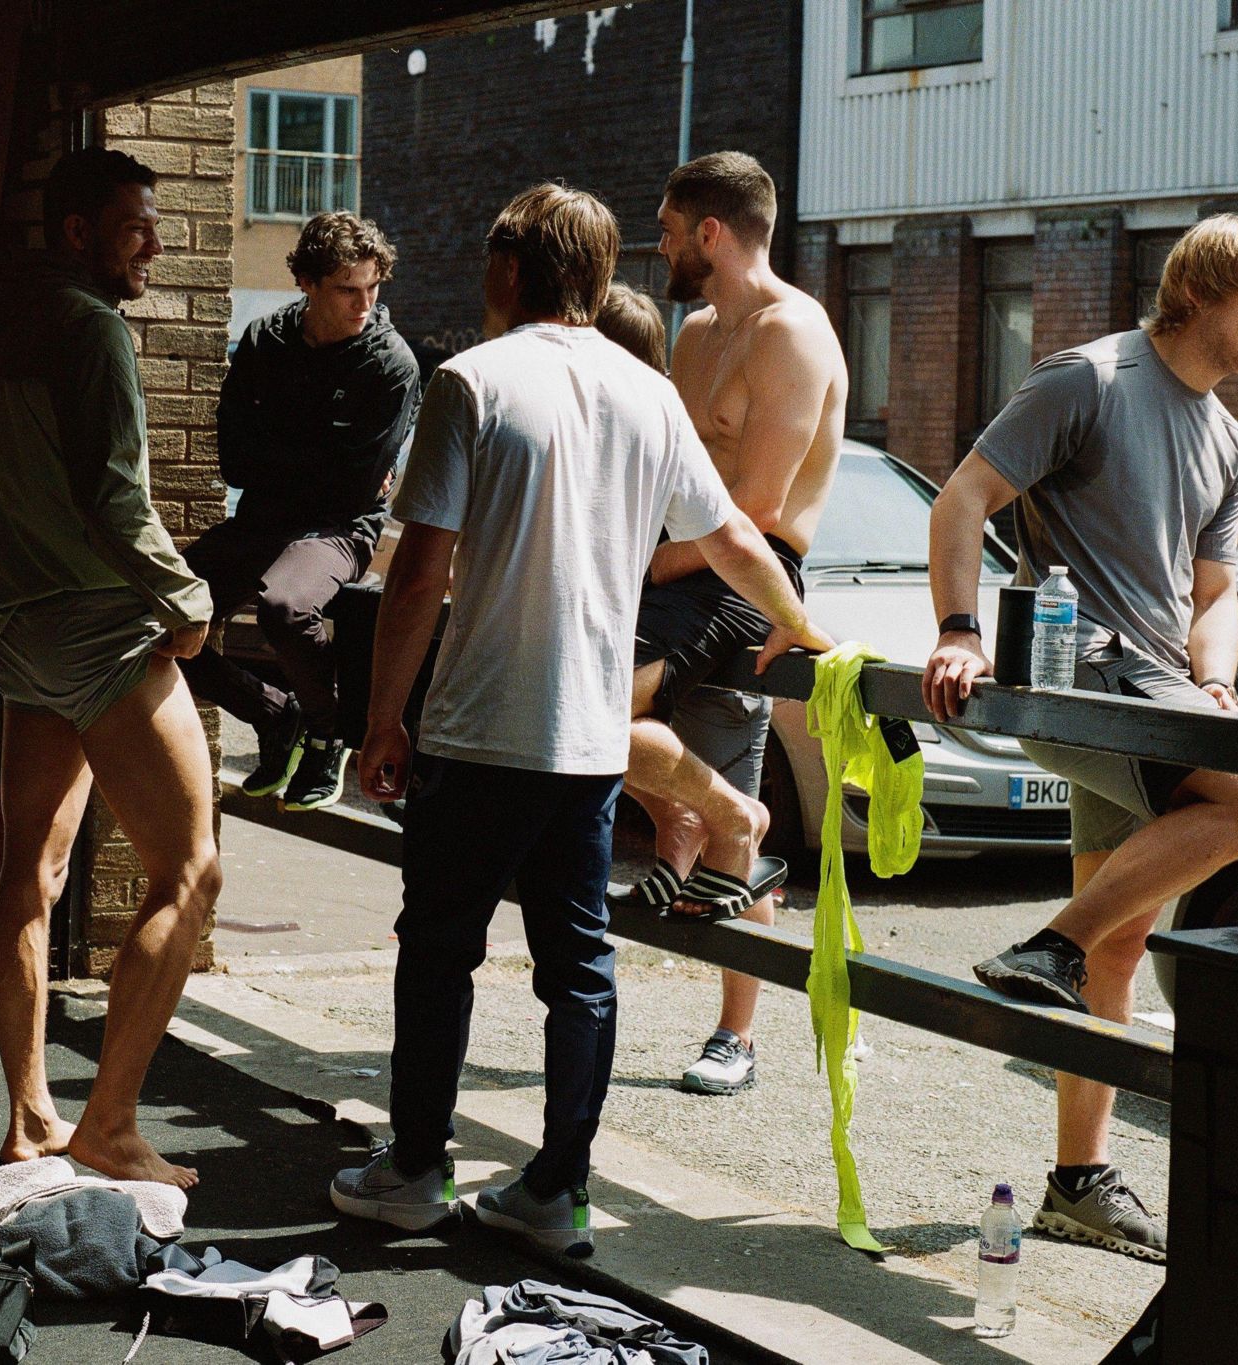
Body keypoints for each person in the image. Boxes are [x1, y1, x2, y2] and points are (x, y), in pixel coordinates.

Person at [326, 183, 831, 1255]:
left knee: (439, 952)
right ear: (601, 282)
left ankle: (415, 1170)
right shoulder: (647, 395)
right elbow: (739, 536)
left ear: (507, 272)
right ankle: (555, 1191)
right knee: (579, 971)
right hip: (590, 740)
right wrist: (801, 628)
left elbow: (417, 576)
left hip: (475, 729)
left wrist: (381, 720)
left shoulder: (470, 380)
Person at [921, 213, 1238, 1262]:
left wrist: (1212, 683)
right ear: (1204, 286)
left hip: (1160, 689)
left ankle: (1076, 1181)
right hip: (1086, 679)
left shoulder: (1217, 432)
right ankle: (1046, 947)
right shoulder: (1088, 379)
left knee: (1121, 941)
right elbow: (961, 498)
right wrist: (955, 629)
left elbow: (1216, 589)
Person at [0, 147, 221, 1188]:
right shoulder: (92, 328)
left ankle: (30, 1119)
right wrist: (189, 604)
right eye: (133, 225)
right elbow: (118, 501)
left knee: (30, 872)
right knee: (190, 868)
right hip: (99, 633)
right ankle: (109, 1125)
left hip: (14, 633)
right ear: (77, 232)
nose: (153, 242)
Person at [614, 153, 849, 1096]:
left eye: (669, 228)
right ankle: (686, 818)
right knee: (584, 719)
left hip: (747, 571)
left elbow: (749, 508)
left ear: (711, 231)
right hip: (681, 568)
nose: (661, 243)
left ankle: (736, 1037)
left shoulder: (794, 335)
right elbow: (673, 477)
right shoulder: (700, 331)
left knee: (719, 795)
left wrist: (641, 564)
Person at [178, 212, 420, 811]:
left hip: (339, 528)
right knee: (154, 613)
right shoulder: (265, 340)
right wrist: (318, 459)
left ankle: (326, 732)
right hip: (264, 518)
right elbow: (233, 459)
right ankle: (273, 714)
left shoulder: (390, 365)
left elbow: (356, 489)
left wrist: (281, 453)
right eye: (347, 289)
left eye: (373, 286)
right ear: (307, 284)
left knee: (285, 606)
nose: (364, 302)